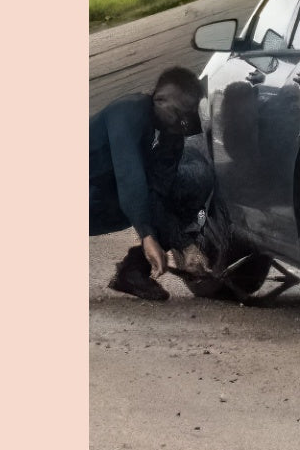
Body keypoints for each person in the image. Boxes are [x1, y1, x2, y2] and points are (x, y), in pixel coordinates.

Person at [89, 66, 210, 301]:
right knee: (137, 197)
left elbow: (159, 192)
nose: (183, 123)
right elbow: (129, 174)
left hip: (105, 197)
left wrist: (184, 245)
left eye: (188, 117)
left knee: (189, 186)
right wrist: (146, 234)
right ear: (160, 99)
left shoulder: (171, 135)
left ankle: (133, 272)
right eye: (179, 114)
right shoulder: (128, 112)